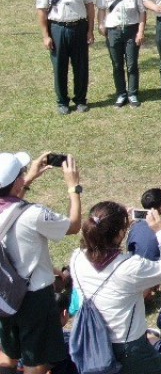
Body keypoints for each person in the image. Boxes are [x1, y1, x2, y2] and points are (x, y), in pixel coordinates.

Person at [69, 201, 161, 374]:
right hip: (128, 346)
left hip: (92, 339)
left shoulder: (76, 258)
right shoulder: (130, 266)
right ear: (121, 234)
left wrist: (119, 225)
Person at [0, 151, 81, 374]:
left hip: (4, 295)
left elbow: (9, 195)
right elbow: (74, 225)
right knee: (35, 364)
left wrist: (26, 180)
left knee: (7, 355)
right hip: (33, 298)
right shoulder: (33, 214)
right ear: (16, 182)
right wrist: (74, 187)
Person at [37, 0, 95, 114]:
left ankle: (81, 99)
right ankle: (62, 101)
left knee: (81, 66)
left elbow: (90, 6)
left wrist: (90, 30)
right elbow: (41, 11)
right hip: (58, 28)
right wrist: (46, 35)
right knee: (60, 67)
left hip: (79, 27)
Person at [97, 0, 146, 108]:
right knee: (117, 64)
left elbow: (142, 12)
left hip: (131, 30)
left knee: (132, 64)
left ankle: (132, 93)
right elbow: (101, 8)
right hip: (113, 30)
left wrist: (140, 32)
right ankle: (121, 93)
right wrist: (101, 24)